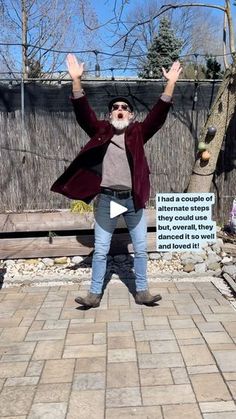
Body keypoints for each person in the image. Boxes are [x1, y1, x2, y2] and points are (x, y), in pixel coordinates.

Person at [51, 53, 182, 308]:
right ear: (110, 114)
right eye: (115, 108)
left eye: (124, 108)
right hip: (108, 198)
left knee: (141, 249)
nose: (119, 110)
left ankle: (142, 291)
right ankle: (94, 294)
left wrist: (170, 84)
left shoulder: (139, 133)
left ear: (131, 116)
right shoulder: (100, 130)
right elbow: (82, 112)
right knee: (101, 249)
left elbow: (158, 114)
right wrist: (76, 80)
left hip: (132, 200)